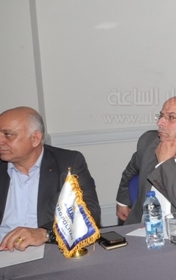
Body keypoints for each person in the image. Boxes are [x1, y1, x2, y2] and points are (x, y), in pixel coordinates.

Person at [0, 107, 101, 251]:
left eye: (8, 135)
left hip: (48, 249)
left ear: (35, 138)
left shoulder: (68, 162)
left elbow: (89, 213)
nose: (1, 141)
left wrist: (45, 233)